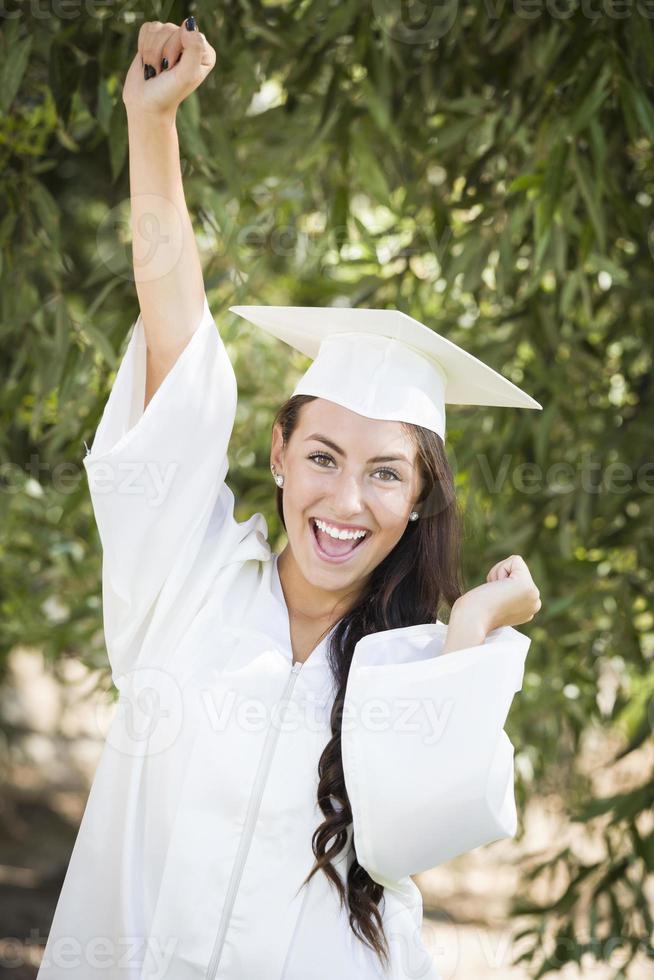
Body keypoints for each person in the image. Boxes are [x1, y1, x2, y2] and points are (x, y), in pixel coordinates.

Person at [37, 17, 542, 980]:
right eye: (322, 456)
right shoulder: (180, 584)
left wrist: (471, 627)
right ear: (276, 452)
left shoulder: (421, 663)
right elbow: (177, 338)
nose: (345, 500)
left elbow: (408, 842)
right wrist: (153, 126)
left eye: (387, 472)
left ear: (422, 497)